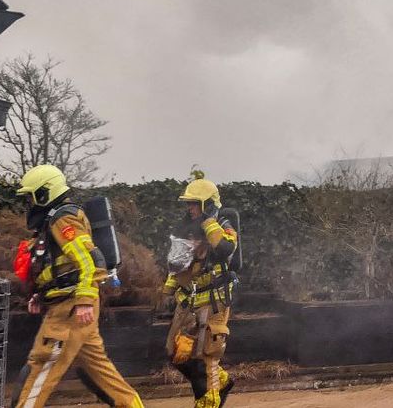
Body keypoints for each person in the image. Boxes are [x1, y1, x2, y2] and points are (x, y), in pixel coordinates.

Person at [14, 164, 144, 408]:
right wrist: (38, 296)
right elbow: (55, 268)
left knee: (42, 367)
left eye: (31, 197)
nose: (29, 203)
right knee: (101, 373)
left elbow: (90, 261)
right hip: (72, 306)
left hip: (70, 309)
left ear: (45, 193)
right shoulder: (54, 220)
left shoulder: (63, 220)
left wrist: (84, 301)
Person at [162, 174, 239, 408]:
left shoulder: (222, 225)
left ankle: (209, 399)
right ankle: (221, 382)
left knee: (204, 362)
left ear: (207, 205)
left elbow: (226, 248)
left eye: (195, 203)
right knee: (176, 353)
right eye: (188, 203)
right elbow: (177, 263)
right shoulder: (185, 227)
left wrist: (208, 222)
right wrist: (168, 291)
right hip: (188, 301)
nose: (190, 208)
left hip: (213, 302)